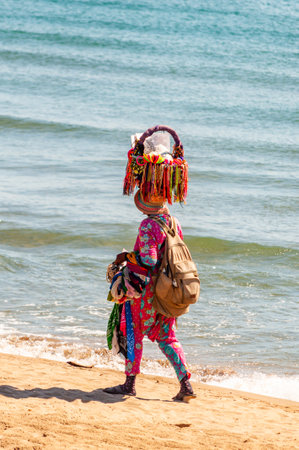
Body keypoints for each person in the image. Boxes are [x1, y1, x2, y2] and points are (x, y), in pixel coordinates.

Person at [103, 189, 196, 402]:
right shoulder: (174, 222)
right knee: (167, 337)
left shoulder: (148, 226)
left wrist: (126, 256)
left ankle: (129, 384)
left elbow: (149, 260)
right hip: (168, 291)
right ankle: (186, 384)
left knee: (133, 332)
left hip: (148, 292)